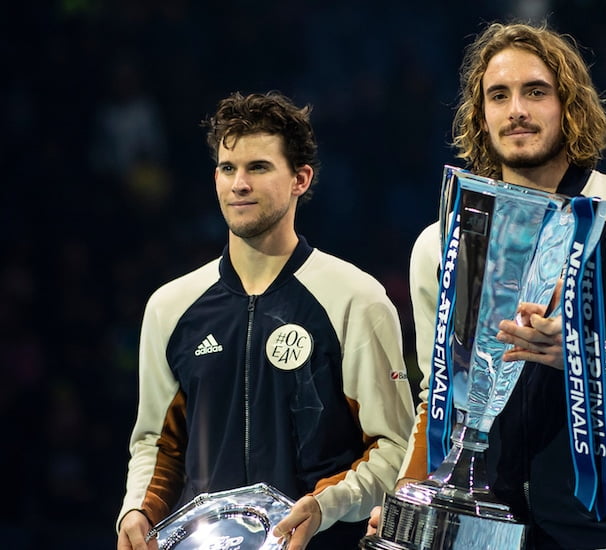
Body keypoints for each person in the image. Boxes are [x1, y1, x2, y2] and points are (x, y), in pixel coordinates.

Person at [370, 22, 606, 549]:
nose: (516, 109)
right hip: (473, 533)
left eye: (535, 91)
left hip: (602, 533)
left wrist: (589, 355)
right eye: (499, 95)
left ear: (570, 105)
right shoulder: (443, 238)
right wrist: (406, 496)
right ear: (481, 115)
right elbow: (439, 394)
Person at [116, 91, 415, 550]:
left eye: (258, 167)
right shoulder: (170, 307)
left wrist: (324, 505)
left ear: (300, 179)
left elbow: (393, 449)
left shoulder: (356, 299)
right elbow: (156, 444)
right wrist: (137, 509)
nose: (238, 184)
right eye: (227, 168)